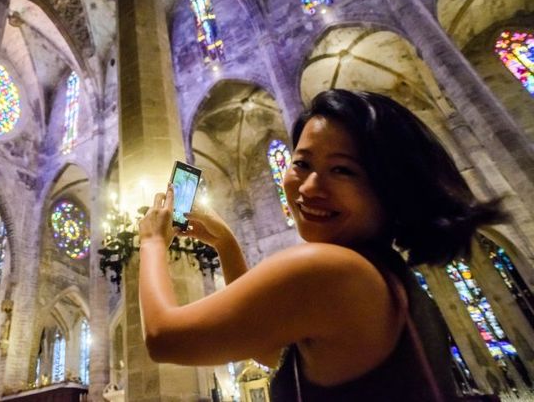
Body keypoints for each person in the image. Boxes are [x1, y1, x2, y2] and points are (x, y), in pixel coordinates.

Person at [138, 89, 503, 401]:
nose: (310, 187)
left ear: (389, 184)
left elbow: (163, 338)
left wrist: (153, 241)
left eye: (342, 170)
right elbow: (267, 349)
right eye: (301, 163)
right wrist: (226, 244)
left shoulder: (330, 269)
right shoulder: (378, 271)